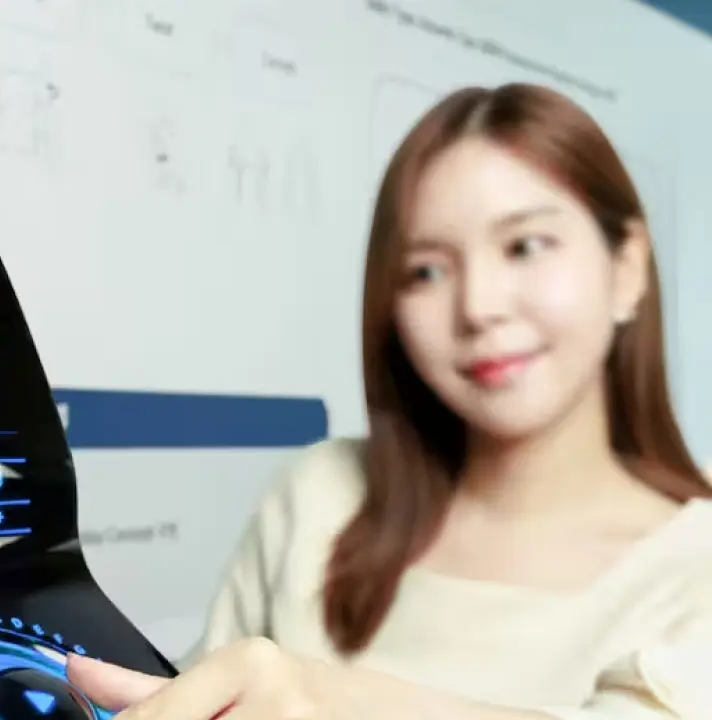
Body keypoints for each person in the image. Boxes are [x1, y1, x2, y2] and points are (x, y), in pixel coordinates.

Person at [67, 83, 712, 718]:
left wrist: (337, 701)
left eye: (524, 246)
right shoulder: (319, 496)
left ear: (627, 268)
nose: (478, 306)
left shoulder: (696, 560)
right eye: (426, 271)